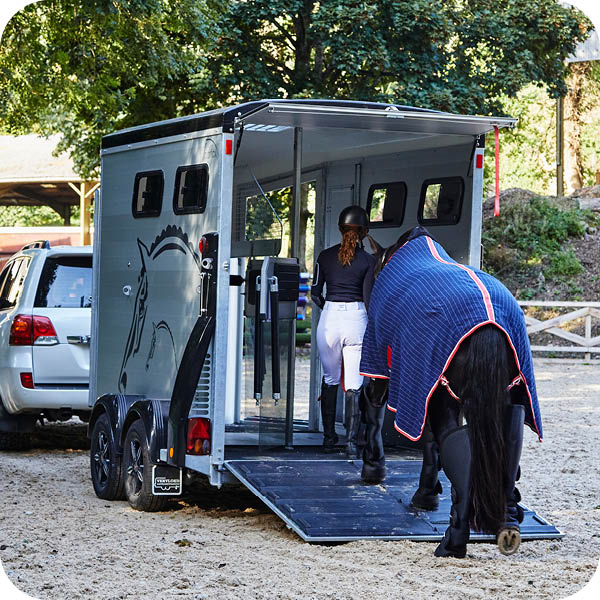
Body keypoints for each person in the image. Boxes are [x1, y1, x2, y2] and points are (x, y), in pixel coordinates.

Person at [311, 206, 375, 457]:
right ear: (364, 231)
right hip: (357, 319)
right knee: (354, 383)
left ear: (340, 228)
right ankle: (350, 444)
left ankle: (328, 439)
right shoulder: (369, 261)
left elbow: (315, 293)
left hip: (329, 319)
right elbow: (369, 299)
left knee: (330, 379)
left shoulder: (324, 257)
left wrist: (328, 307)